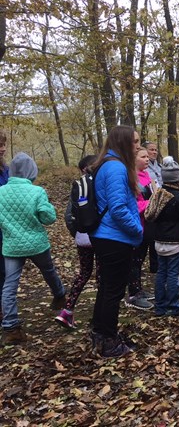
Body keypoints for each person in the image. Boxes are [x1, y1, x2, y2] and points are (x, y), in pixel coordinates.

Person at [0, 152, 66, 344]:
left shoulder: (1, 192)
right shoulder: (37, 192)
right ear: (31, 171)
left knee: (9, 286)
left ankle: (11, 327)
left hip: (11, 246)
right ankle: (60, 296)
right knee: (49, 272)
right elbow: (49, 218)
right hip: (37, 244)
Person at [89, 125, 143, 358]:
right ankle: (109, 342)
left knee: (107, 287)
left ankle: (100, 332)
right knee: (113, 290)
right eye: (135, 142)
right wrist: (137, 229)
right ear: (122, 143)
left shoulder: (109, 165)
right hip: (114, 238)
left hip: (107, 237)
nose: (139, 146)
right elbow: (118, 209)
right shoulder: (116, 168)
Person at [57, 155, 99, 329]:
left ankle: (67, 311)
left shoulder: (78, 186)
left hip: (83, 237)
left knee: (84, 273)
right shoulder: (97, 183)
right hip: (99, 234)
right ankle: (100, 316)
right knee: (102, 275)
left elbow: (71, 215)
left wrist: (78, 234)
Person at [149, 156, 179, 317]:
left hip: (159, 239)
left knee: (161, 272)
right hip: (175, 241)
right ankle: (173, 306)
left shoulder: (158, 194)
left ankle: (160, 306)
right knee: (173, 273)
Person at [124, 148, 156, 311]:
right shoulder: (130, 178)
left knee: (140, 259)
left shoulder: (147, 175)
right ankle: (132, 295)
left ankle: (139, 289)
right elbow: (129, 204)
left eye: (147, 156)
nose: (147, 159)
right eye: (143, 157)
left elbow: (152, 196)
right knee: (134, 261)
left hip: (147, 224)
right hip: (136, 226)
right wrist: (149, 205)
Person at [143, 141, 161, 273]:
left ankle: (156, 264)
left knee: (157, 234)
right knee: (149, 235)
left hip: (160, 203)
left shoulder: (159, 167)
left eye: (156, 150)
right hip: (147, 204)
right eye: (151, 150)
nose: (154, 152)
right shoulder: (143, 169)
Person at [0, 130, 9, 311]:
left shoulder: (6, 170)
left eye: (3, 144)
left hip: (6, 230)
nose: (3, 149)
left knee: (3, 272)